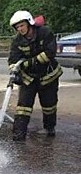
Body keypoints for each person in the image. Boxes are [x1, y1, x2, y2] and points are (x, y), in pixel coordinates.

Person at [7, 10, 63, 141]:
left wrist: (27, 63)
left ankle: (50, 128)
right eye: (17, 27)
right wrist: (15, 72)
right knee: (23, 108)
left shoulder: (45, 33)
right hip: (29, 79)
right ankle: (18, 135)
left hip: (48, 77)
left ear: (29, 23)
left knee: (49, 106)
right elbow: (12, 60)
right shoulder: (17, 41)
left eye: (21, 25)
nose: (20, 29)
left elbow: (49, 53)